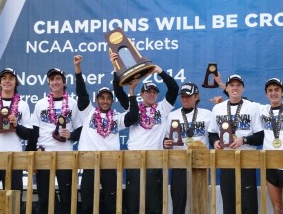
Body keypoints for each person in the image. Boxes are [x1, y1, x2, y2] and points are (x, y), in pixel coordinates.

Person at [110, 52, 179, 214]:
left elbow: (174, 88)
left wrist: (159, 71)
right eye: (148, 92)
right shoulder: (133, 107)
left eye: (154, 92)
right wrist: (115, 69)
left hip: (155, 159)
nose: (152, 94)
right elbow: (119, 92)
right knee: (134, 202)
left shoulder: (162, 108)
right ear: (141, 95)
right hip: (134, 159)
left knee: (154, 204)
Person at [73, 54, 139, 214]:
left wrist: (131, 91)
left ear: (112, 101)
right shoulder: (87, 112)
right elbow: (82, 93)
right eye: (102, 98)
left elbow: (133, 116)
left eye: (108, 98)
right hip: (89, 163)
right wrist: (78, 69)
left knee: (111, 204)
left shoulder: (116, 117)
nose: (105, 101)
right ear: (96, 100)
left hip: (110, 163)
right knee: (88, 203)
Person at [27, 68, 82, 214]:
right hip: (44, 154)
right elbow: (34, 132)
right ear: (48, 83)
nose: (55, 82)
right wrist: (30, 157)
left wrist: (70, 135)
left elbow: (80, 130)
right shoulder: (40, 104)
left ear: (64, 82)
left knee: (67, 197)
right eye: (51, 79)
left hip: (65, 155)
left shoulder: (73, 103)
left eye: (58, 79)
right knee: (45, 198)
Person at [208, 74, 264, 214]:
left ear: (243, 89)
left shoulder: (252, 107)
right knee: (229, 202)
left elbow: (260, 136)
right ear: (226, 88)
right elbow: (212, 133)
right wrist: (215, 142)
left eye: (238, 85)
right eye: (231, 85)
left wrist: (243, 140)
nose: (235, 88)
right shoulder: (218, 108)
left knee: (249, 204)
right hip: (226, 161)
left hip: (247, 161)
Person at [0, 68, 32, 204]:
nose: (7, 81)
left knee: (14, 202)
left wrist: (16, 125)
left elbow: (28, 135)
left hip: (14, 158)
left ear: (16, 82)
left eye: (11, 78)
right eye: (4, 78)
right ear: (0, 82)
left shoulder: (23, 106)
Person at [163, 82, 212, 214]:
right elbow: (166, 138)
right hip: (179, 162)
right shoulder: (173, 115)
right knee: (178, 200)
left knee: (200, 201)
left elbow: (214, 136)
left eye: (188, 96)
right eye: (183, 96)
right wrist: (166, 143)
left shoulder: (207, 114)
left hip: (200, 163)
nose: (185, 99)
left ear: (196, 97)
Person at [260, 78, 283, 214]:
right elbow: (239, 100)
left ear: (282, 92)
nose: (273, 93)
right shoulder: (262, 110)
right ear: (266, 94)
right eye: (270, 90)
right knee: (277, 208)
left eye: (277, 90)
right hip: (270, 166)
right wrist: (222, 86)